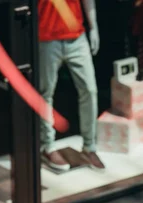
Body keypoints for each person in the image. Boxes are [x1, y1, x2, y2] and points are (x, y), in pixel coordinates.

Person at [38, 0, 105, 172]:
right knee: (46, 93)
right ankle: (47, 146)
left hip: (76, 35)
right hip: (47, 35)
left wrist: (94, 26)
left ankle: (89, 146)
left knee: (89, 90)